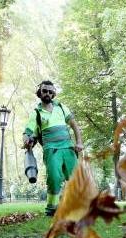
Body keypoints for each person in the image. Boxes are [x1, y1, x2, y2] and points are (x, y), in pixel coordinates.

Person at [23, 80, 83, 216]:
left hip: (68, 147)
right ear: (40, 92)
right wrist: (26, 141)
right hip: (51, 150)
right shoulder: (36, 113)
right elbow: (27, 132)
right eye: (45, 91)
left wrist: (79, 142)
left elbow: (74, 125)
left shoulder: (61, 107)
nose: (47, 94)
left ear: (53, 93)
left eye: (50, 91)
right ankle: (51, 209)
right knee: (54, 178)